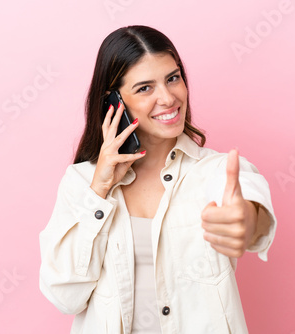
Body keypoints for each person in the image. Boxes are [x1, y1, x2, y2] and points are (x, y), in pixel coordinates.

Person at [39, 25, 277, 334]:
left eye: (173, 78)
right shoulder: (81, 184)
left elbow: (250, 209)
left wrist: (245, 220)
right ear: (114, 102)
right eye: (144, 88)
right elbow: (64, 297)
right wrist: (98, 192)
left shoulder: (216, 170)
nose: (168, 98)